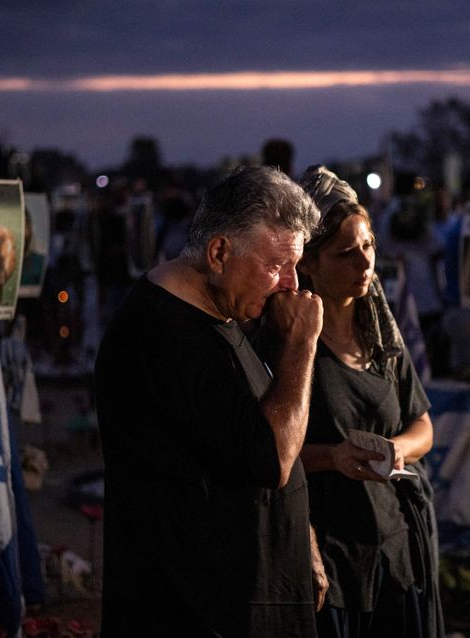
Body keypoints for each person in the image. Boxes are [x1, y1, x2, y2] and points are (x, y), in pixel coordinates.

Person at [94, 165, 325, 637]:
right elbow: (271, 458)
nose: (291, 285)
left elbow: (252, 431)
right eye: (277, 265)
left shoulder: (219, 317)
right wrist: (301, 344)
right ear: (219, 252)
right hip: (194, 609)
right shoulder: (164, 336)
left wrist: (303, 540)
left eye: (295, 266)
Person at [294, 165, 442, 638]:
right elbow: (265, 451)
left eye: (368, 247)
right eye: (345, 254)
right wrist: (333, 458)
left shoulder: (379, 334)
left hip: (393, 545)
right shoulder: (291, 343)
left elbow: (423, 426)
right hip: (329, 553)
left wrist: (398, 449)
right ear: (308, 264)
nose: (365, 264)